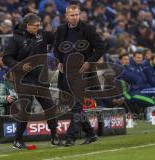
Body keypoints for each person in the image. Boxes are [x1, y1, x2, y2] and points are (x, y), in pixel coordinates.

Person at [3, 13, 59, 149]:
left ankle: (55, 137)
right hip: (24, 80)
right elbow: (6, 58)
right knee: (25, 110)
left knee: (50, 107)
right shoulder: (15, 40)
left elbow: (58, 38)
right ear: (27, 25)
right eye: (35, 26)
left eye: (39, 25)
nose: (38, 28)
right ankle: (17, 140)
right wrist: (20, 65)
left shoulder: (42, 35)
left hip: (41, 79)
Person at [54, 1, 104, 146]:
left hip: (83, 72)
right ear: (66, 15)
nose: (75, 17)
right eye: (72, 15)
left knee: (76, 106)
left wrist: (89, 62)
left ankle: (70, 138)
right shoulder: (61, 29)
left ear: (80, 14)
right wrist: (59, 60)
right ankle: (91, 134)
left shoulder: (88, 29)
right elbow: (56, 48)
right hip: (66, 73)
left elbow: (100, 48)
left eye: (77, 15)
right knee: (75, 106)